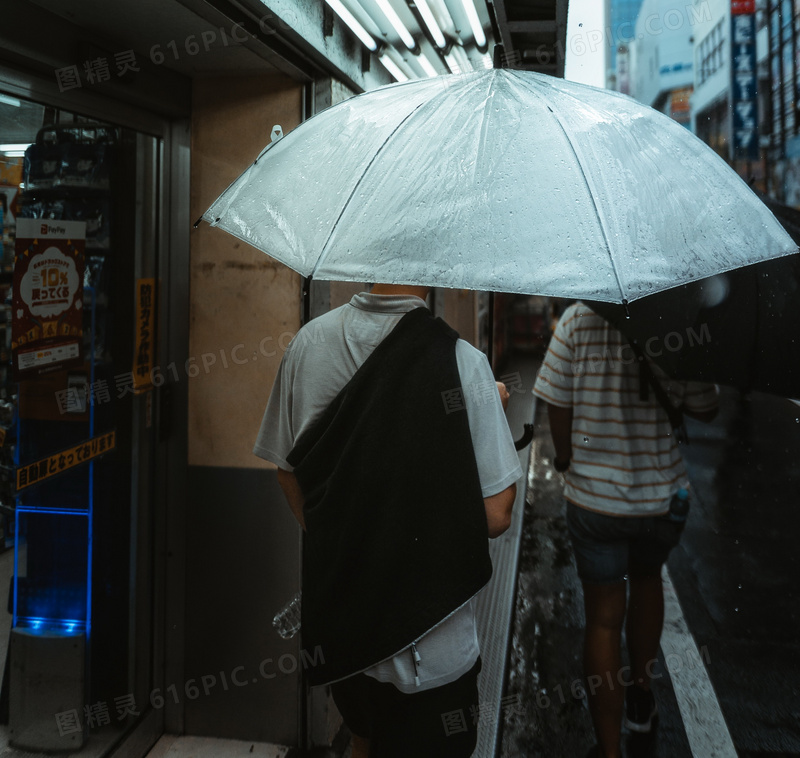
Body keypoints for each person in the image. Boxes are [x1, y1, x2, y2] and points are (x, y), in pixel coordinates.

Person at [254, 283, 523, 758]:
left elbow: (286, 473)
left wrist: (347, 542)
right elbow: (497, 513)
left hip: (346, 633)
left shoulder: (308, 343)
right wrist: (489, 412)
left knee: (363, 740)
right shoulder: (463, 362)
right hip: (431, 649)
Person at [533, 301, 719, 758]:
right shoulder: (678, 321)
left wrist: (564, 460)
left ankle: (610, 749)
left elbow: (556, 399)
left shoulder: (577, 318)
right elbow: (707, 406)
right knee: (647, 579)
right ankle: (640, 693)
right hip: (659, 500)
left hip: (595, 499)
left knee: (601, 618)